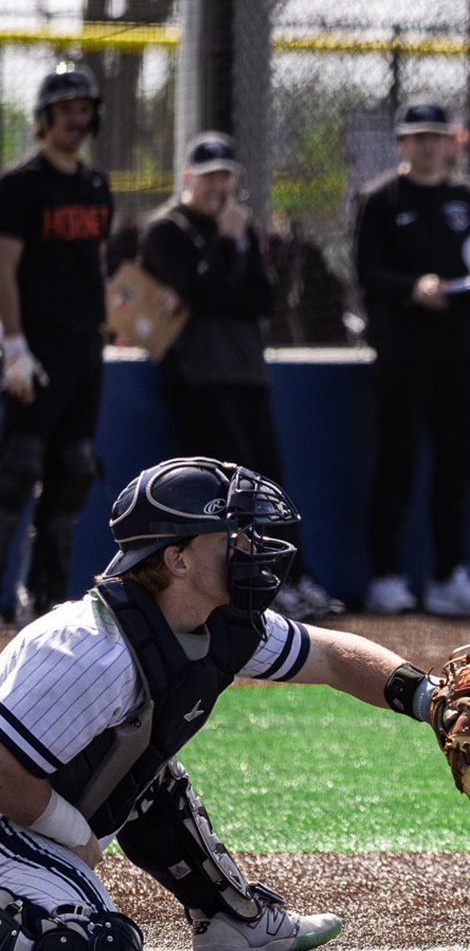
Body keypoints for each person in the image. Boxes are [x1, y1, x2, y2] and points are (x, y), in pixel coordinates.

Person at [0, 456, 470, 951]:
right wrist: (74, 834)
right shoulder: (89, 648)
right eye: (232, 533)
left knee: (148, 764)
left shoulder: (213, 623)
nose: (252, 545)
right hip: (10, 828)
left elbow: (332, 657)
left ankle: (231, 919)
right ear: (178, 560)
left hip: (35, 826)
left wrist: (433, 701)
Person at [136, 132, 338, 621]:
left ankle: (295, 575)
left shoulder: (241, 227)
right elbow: (203, 291)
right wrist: (224, 246)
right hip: (199, 375)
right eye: (209, 177)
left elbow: (260, 299)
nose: (219, 187)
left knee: (269, 482)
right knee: (226, 491)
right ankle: (250, 584)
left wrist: (211, 283)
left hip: (247, 371)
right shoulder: (167, 229)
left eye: (226, 176)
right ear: (188, 177)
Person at [354, 99, 470, 617]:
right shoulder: (379, 198)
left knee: (456, 462)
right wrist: (412, 287)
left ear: (450, 143)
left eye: (436, 137)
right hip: (404, 353)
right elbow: (367, 273)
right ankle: (386, 575)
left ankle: (450, 574)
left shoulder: (469, 195)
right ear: (401, 143)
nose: (427, 146)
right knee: (397, 461)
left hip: (461, 351)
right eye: (418, 137)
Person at [0, 63, 113, 624]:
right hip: (38, 343)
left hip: (86, 346)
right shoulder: (20, 184)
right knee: (18, 467)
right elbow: (4, 267)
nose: (76, 119)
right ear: (44, 118)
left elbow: (96, 263)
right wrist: (13, 344)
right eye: (65, 109)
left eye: (84, 109)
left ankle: (42, 597)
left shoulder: (96, 185)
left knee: (74, 471)